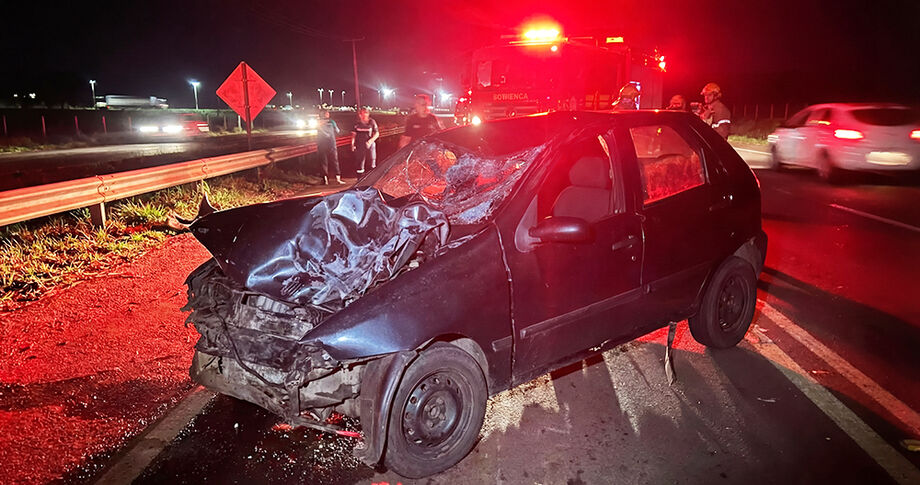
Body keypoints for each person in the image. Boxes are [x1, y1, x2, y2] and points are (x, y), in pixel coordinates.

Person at [316, 110, 343, 184]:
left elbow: (319, 129)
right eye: (327, 113)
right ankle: (337, 178)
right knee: (334, 161)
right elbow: (338, 131)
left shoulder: (319, 122)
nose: (327, 114)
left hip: (322, 144)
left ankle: (325, 180)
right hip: (331, 143)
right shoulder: (331, 121)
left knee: (324, 162)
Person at [351, 107, 379, 175]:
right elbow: (353, 135)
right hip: (360, 145)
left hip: (369, 144)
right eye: (362, 114)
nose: (364, 116)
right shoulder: (356, 123)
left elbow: (377, 133)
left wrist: (370, 141)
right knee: (360, 162)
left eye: (365, 114)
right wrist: (352, 144)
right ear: (359, 115)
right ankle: (360, 177)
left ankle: (372, 175)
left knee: (372, 160)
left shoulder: (372, 122)